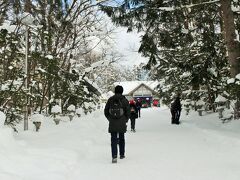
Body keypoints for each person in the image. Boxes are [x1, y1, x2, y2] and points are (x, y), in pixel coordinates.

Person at [104, 85, 130, 163]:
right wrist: (125, 120)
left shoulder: (110, 100)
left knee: (113, 139)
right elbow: (128, 112)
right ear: (122, 91)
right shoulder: (124, 100)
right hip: (122, 122)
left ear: (115, 91)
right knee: (122, 138)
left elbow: (106, 111)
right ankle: (122, 154)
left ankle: (114, 156)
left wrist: (110, 119)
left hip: (112, 122)